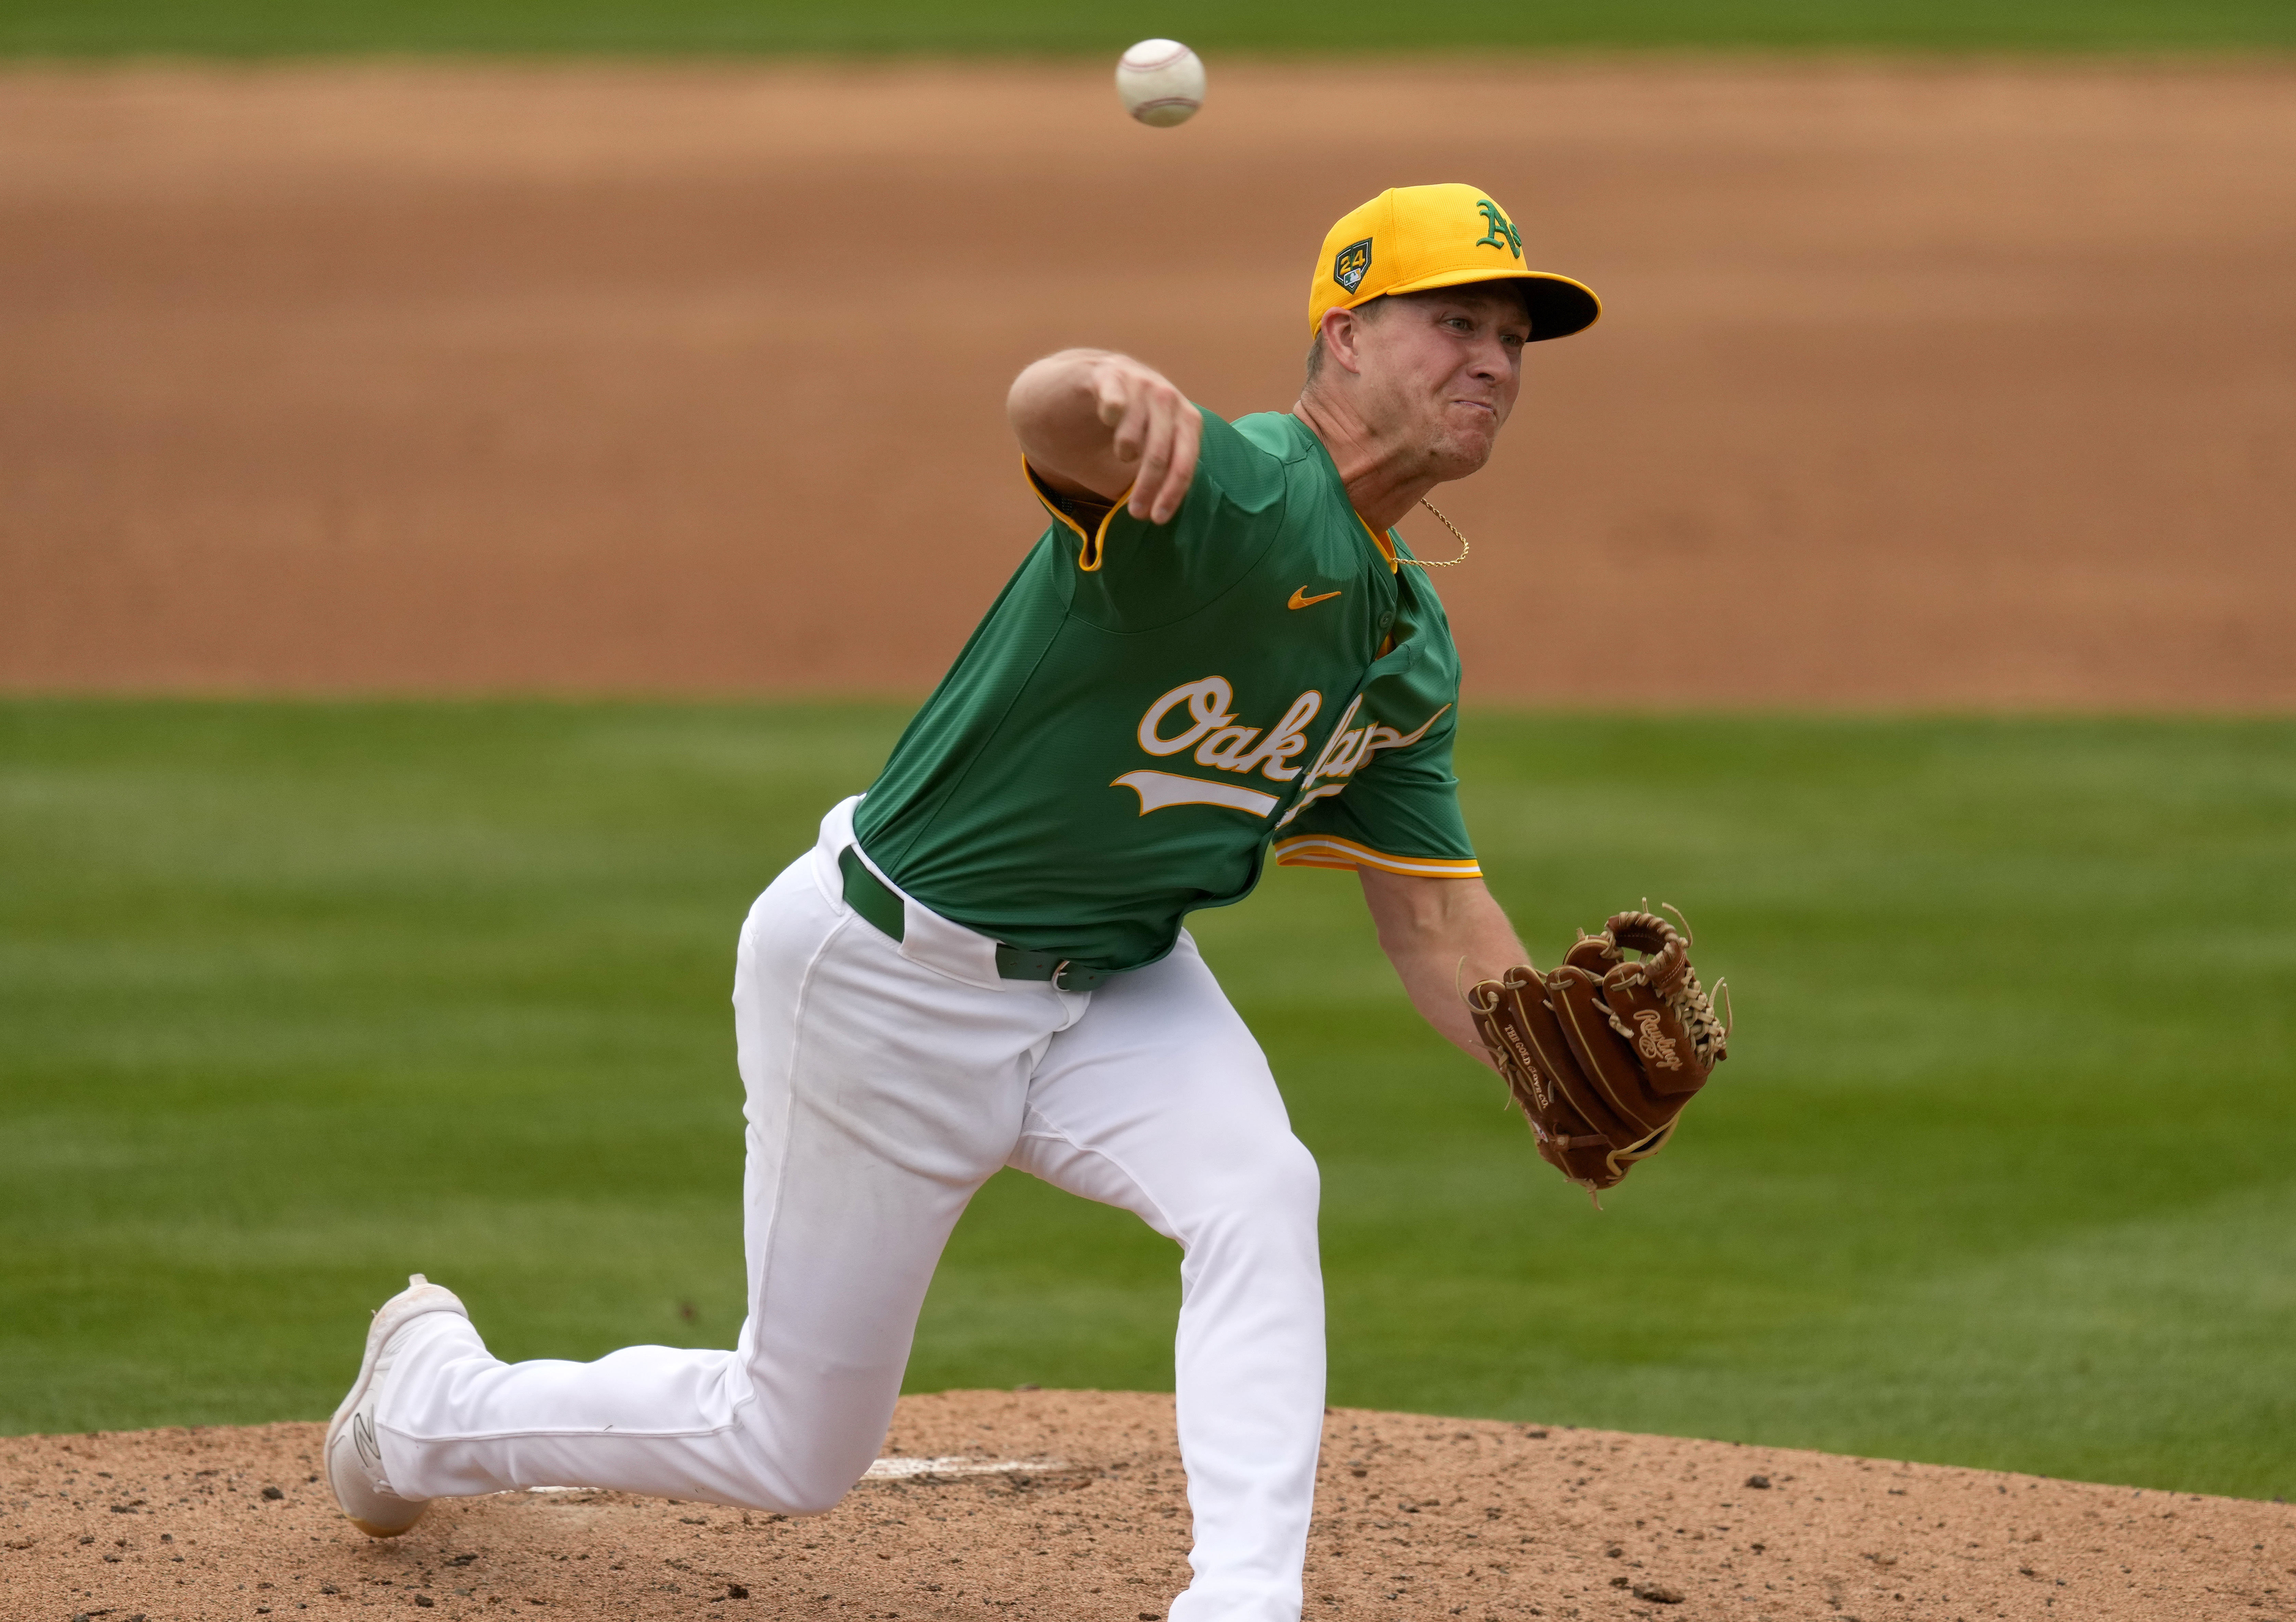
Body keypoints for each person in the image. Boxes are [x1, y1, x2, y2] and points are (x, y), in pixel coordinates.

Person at [325, 183, 1601, 1622]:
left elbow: (1434, 921)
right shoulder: (1233, 486)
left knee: (1259, 1187)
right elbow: (1051, 419)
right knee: (793, 1445)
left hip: (1121, 980)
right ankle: (424, 1400)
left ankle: (1243, 1600)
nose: (1492, 359)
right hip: (884, 973)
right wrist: (1092, 381)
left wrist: (1545, 1070)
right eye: (1456, 323)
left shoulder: (1407, 649)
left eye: (1514, 336)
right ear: (1348, 331)